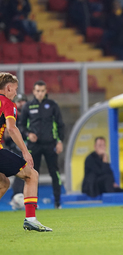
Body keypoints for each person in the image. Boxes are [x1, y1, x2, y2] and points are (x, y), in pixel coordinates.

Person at [0, 72, 52, 231]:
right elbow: (12, 128)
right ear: (8, 88)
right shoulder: (7, 103)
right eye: (15, 89)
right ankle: (30, 219)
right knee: (32, 175)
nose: (16, 93)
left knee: (3, 183)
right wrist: (25, 151)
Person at [19, 80, 65, 209]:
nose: (40, 93)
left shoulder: (52, 105)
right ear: (33, 92)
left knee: (55, 173)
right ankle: (34, 204)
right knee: (32, 173)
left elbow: (60, 124)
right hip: (34, 146)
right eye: (37, 91)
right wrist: (28, 135)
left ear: (46, 92)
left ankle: (57, 202)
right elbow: (21, 125)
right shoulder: (28, 106)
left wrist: (60, 141)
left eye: (42, 91)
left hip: (51, 144)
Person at [4, 93, 27, 208]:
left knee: (30, 173)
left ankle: (26, 199)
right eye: (19, 101)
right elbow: (8, 134)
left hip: (28, 148)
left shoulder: (30, 117)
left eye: (23, 101)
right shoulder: (10, 115)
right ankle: (17, 196)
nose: (21, 104)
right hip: (15, 149)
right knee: (20, 173)